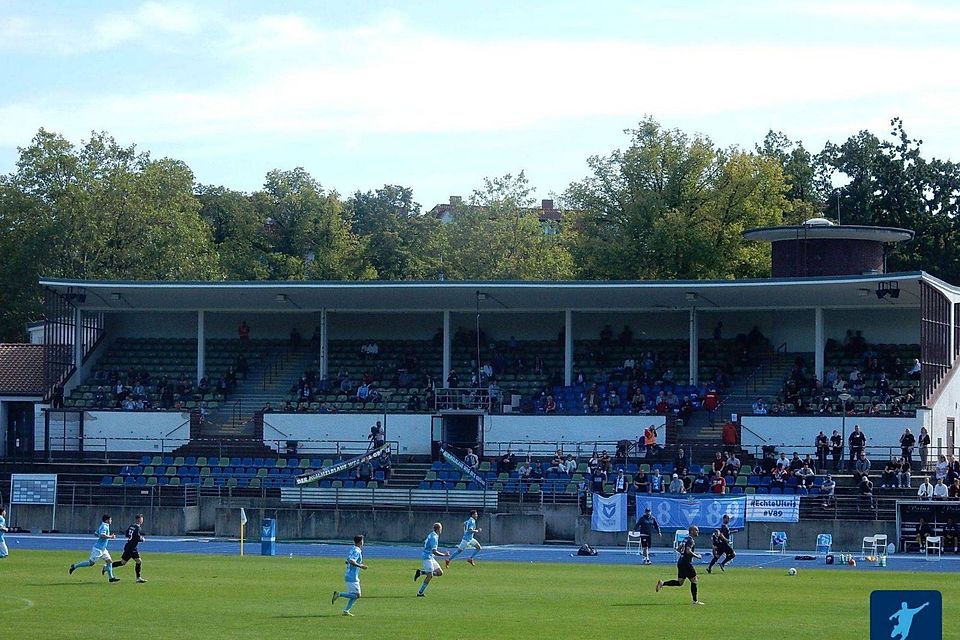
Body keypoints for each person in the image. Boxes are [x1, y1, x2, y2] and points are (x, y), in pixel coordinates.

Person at [656, 525, 704, 605]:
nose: (697, 532)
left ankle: (662, 583)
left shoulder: (685, 539)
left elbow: (678, 548)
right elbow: (688, 551)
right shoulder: (691, 541)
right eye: (696, 530)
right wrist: (697, 556)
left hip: (680, 562)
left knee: (680, 582)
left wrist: (683, 554)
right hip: (686, 563)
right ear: (692, 531)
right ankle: (695, 601)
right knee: (694, 580)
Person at [69, 514, 120, 582]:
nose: (111, 521)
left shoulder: (103, 525)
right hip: (98, 549)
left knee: (109, 561)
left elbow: (96, 533)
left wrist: (101, 536)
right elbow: (102, 535)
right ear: (107, 520)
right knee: (91, 563)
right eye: (110, 519)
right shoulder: (104, 526)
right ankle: (74, 566)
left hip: (103, 549)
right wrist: (111, 537)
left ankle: (111, 578)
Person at [332, 535, 367, 616]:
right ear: (360, 542)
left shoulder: (353, 549)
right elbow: (351, 561)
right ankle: (339, 594)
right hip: (352, 576)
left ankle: (346, 611)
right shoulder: (357, 551)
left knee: (354, 595)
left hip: (349, 575)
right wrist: (361, 566)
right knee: (357, 595)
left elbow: (347, 560)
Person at [109, 513, 147, 583]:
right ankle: (138, 578)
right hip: (132, 548)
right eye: (141, 519)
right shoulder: (138, 528)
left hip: (129, 546)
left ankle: (108, 567)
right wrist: (142, 539)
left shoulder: (131, 526)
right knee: (137, 561)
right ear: (139, 520)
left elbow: (127, 534)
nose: (142, 520)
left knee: (124, 562)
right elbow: (137, 537)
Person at [414, 523, 449, 596]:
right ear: (438, 529)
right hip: (427, 557)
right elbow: (434, 551)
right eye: (441, 528)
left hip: (430, 557)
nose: (441, 530)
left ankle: (421, 572)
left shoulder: (432, 534)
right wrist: (444, 555)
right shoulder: (434, 538)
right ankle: (420, 592)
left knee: (439, 573)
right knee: (430, 575)